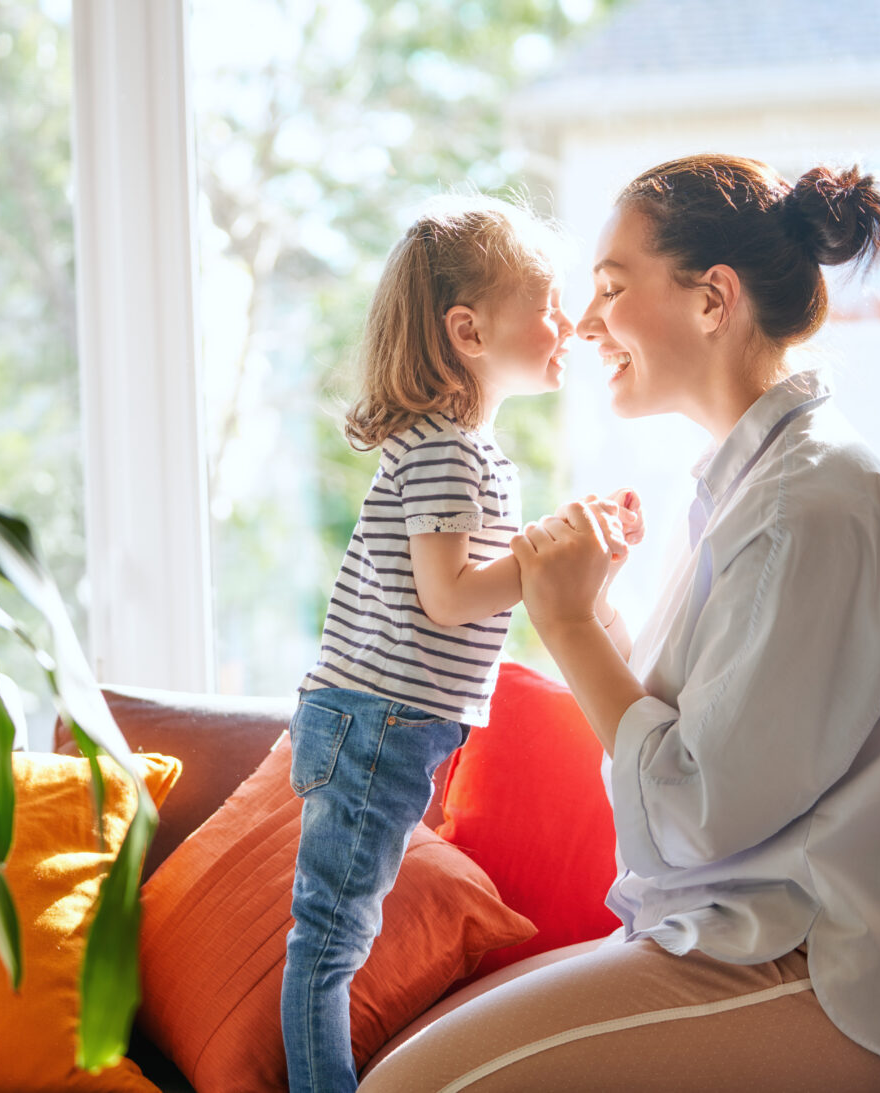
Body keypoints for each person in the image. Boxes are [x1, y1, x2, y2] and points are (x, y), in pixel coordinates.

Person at [357, 156, 880, 1093]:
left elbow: (690, 814)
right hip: (731, 938)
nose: (586, 321)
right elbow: (710, 745)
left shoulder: (811, 502)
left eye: (609, 288)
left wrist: (569, 627)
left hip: (809, 972)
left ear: (713, 300)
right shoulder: (757, 487)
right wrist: (596, 607)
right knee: (404, 1061)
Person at [283, 193, 642, 1093]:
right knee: (329, 942)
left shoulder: (459, 447)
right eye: (548, 303)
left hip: (386, 722)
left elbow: (471, 587)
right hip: (378, 722)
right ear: (469, 331)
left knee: (334, 937)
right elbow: (449, 599)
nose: (569, 322)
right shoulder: (448, 449)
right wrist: (546, 555)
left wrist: (556, 551)